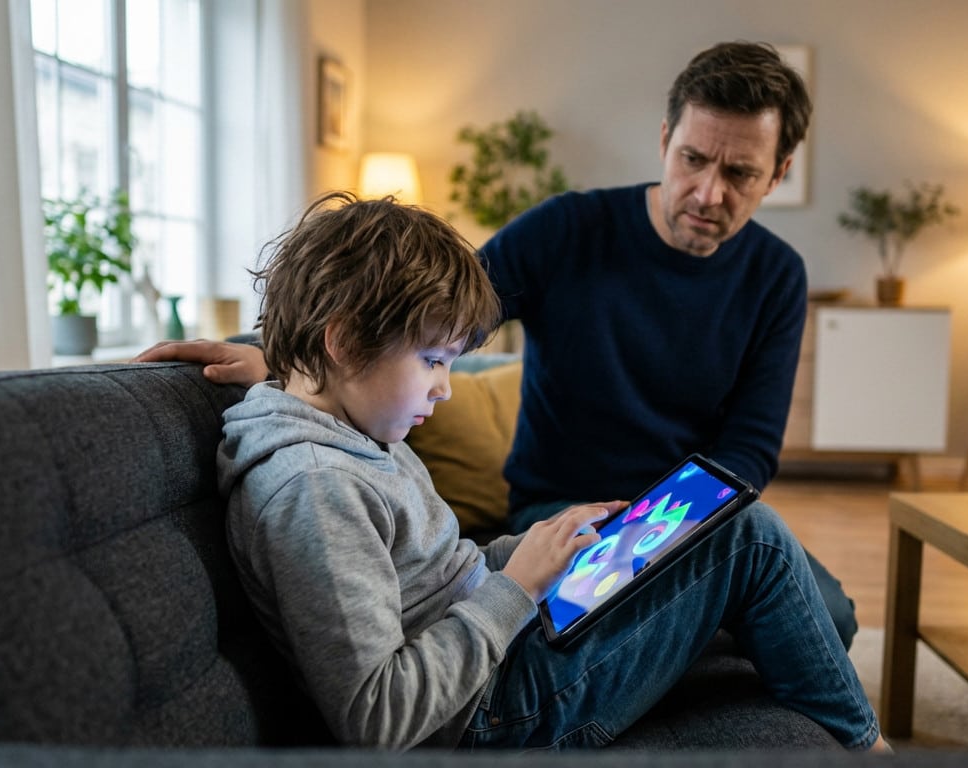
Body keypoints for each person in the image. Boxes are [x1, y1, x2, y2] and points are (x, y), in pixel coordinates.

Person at [136, 41, 858, 650]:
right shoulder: (568, 230)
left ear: (780, 172)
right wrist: (294, 357)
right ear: (665, 137)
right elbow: (420, 317)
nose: (707, 192)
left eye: (739, 174)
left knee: (829, 615)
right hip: (557, 508)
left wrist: (660, 535)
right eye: (694, 158)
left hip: (681, 513)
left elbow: (751, 451)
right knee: (707, 621)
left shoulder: (775, 277)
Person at [215, 189, 886, 751]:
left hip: (506, 648)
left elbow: (430, 574)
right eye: (434, 360)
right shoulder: (315, 486)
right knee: (752, 540)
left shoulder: (356, 432)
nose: (445, 388)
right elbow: (379, 717)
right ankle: (865, 747)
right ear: (344, 342)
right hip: (488, 714)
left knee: (718, 530)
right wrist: (517, 588)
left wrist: (536, 553)